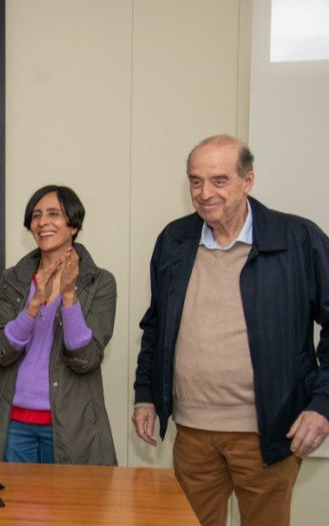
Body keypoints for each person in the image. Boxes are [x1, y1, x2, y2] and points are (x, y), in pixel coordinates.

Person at [132, 135, 329, 525]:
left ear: (248, 181)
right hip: (191, 432)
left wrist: (322, 405)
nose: (205, 193)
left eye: (219, 180)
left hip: (269, 432)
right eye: (196, 181)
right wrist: (145, 394)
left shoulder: (298, 240)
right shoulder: (174, 241)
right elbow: (156, 325)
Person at [0, 185, 117, 465]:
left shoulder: (100, 282)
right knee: (13, 509)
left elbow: (86, 358)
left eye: (54, 214)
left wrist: (68, 296)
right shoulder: (14, 279)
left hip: (71, 426)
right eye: (36, 215)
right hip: (13, 425)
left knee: (69, 509)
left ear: (74, 225)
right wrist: (34, 305)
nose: (42, 222)